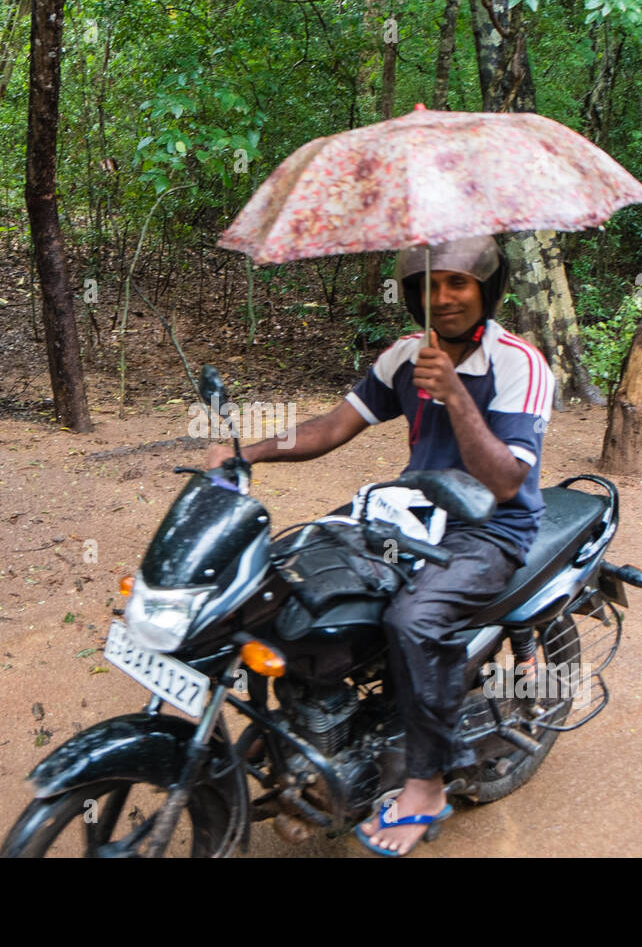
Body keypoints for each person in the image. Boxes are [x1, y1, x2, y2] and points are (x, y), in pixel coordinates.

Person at [204, 235, 555, 856]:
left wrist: (452, 395)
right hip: (414, 512)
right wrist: (245, 453)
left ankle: (427, 785)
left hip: (490, 528)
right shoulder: (403, 356)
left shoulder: (519, 363)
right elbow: (333, 426)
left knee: (415, 619)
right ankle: (300, 718)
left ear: (486, 289)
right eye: (427, 284)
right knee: (291, 576)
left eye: (457, 283)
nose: (441, 297)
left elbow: (505, 480)